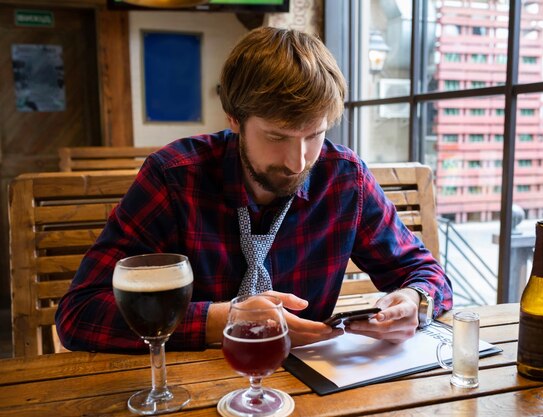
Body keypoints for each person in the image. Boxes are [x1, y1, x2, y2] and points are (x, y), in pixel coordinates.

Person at [55, 27, 453, 352]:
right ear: (234, 119)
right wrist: (224, 320)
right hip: (189, 384)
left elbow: (426, 274)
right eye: (277, 136)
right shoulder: (174, 178)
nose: (298, 161)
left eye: (314, 134)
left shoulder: (344, 178)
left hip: (310, 385)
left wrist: (414, 302)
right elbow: (79, 313)